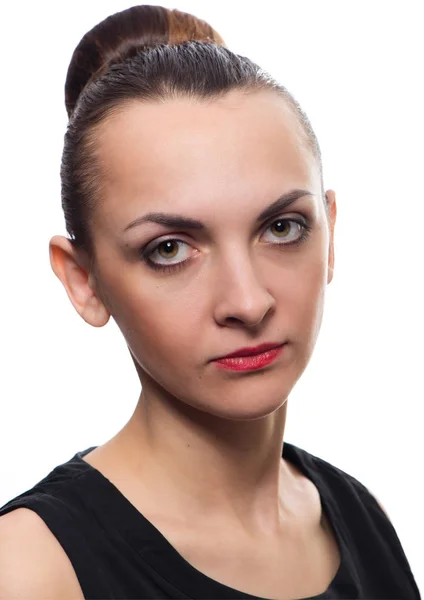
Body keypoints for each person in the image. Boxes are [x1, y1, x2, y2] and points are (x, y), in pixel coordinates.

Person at [0, 5, 420, 600]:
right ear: (83, 281)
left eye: (281, 228)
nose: (248, 303)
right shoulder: (30, 571)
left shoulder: (366, 518)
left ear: (329, 233)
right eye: (169, 248)